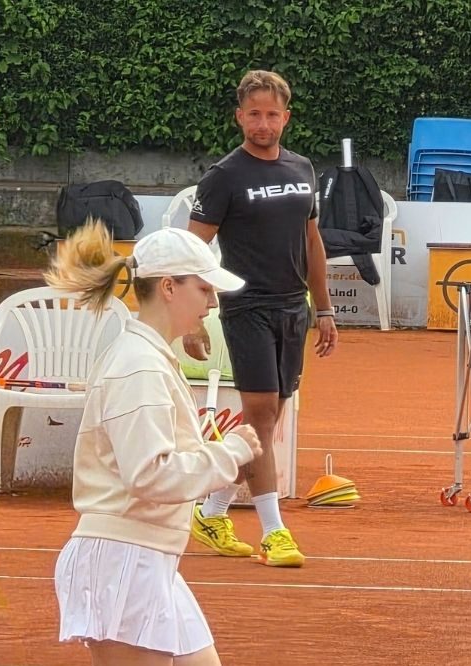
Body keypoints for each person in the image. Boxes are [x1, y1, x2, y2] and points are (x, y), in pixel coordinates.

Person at [47, 221, 264, 666]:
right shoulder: (140, 366)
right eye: (204, 289)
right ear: (169, 287)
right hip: (125, 560)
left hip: (145, 556)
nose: (212, 302)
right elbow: (150, 474)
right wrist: (230, 455)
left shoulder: (147, 357)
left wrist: (223, 460)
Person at [185, 69, 338, 568]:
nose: (263, 123)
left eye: (272, 114)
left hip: (295, 307)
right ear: (239, 117)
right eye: (254, 114)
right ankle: (275, 532)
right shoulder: (224, 176)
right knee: (260, 415)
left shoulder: (303, 169)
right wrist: (190, 320)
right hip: (245, 307)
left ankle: (211, 511)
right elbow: (193, 252)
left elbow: (313, 240)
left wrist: (326, 309)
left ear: (286, 118)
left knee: (268, 423)